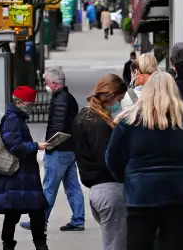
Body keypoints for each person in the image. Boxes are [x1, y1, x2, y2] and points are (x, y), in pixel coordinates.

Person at [105, 72, 183, 250]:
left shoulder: (130, 120)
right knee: (175, 243)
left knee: (139, 243)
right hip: (179, 193)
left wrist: (126, 179)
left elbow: (112, 157)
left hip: (140, 194)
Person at [21, 67, 85, 232]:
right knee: (73, 187)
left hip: (59, 151)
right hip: (70, 150)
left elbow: (57, 126)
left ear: (55, 84)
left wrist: (49, 146)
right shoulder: (68, 98)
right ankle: (78, 220)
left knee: (49, 186)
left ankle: (40, 221)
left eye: (48, 83)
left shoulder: (61, 101)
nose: (46, 85)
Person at [72, 74, 128, 250]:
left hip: (96, 190)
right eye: (119, 99)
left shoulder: (83, 116)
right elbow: (107, 158)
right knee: (116, 244)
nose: (120, 104)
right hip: (111, 189)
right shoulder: (100, 124)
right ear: (110, 96)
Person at [0, 86, 49, 250]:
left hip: (22, 174)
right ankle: (37, 245)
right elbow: (15, 146)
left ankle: (11, 245)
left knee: (18, 211)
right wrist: (36, 146)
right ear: (20, 102)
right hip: (19, 174)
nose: (31, 107)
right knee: (31, 210)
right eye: (29, 104)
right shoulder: (13, 119)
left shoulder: (16, 117)